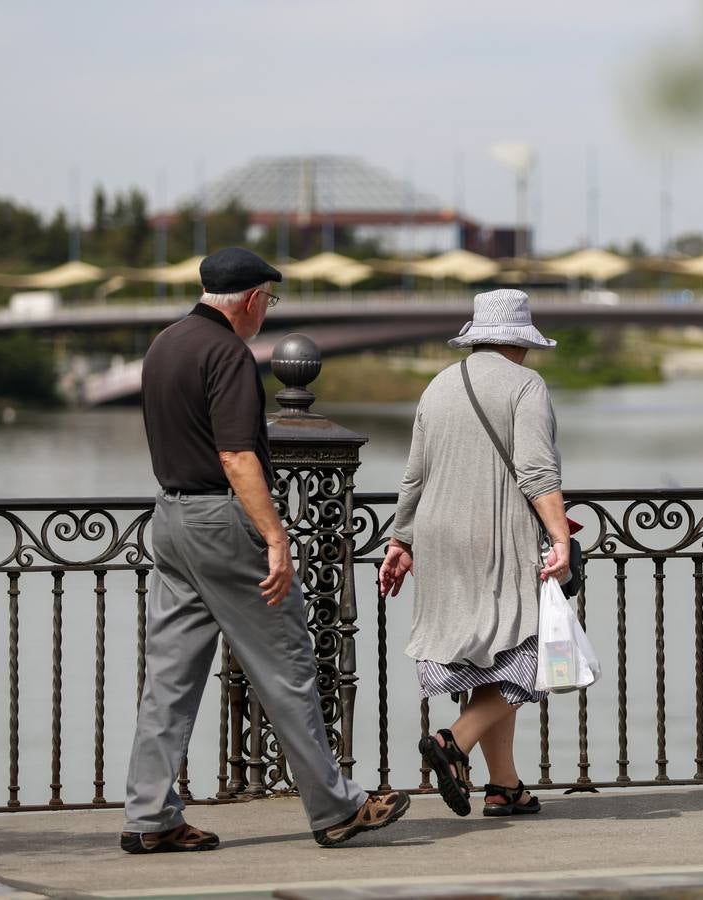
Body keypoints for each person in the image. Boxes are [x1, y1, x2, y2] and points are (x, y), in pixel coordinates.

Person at [122, 247, 408, 852]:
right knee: (288, 663)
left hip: (170, 517)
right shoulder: (226, 352)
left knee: (169, 678)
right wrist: (276, 537)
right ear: (252, 299)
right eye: (269, 301)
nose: (266, 313)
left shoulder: (165, 344)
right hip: (221, 523)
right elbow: (236, 454)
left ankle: (150, 816)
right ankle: (336, 808)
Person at [379, 288, 571, 818]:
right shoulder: (525, 385)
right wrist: (561, 537)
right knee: (531, 658)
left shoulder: (438, 386)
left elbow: (414, 475)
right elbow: (536, 471)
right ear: (521, 342)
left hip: (438, 538)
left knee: (487, 660)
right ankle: (452, 742)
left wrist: (401, 539)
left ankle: (504, 786)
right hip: (497, 535)